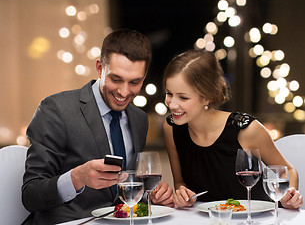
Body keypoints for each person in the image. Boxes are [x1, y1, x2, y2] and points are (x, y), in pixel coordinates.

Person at [22, 29, 174, 224]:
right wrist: (76, 178)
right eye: (116, 79)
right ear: (100, 68)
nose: (124, 92)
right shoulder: (56, 109)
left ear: (144, 77)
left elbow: (124, 190)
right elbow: (30, 195)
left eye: (135, 82)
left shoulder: (139, 119)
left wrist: (149, 196)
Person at [162, 49, 303, 209]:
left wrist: (288, 196)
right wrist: (182, 193)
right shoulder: (171, 128)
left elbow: (287, 170)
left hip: (256, 219)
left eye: (183, 97)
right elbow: (181, 182)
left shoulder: (246, 130)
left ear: (206, 97)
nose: (172, 104)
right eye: (169, 93)